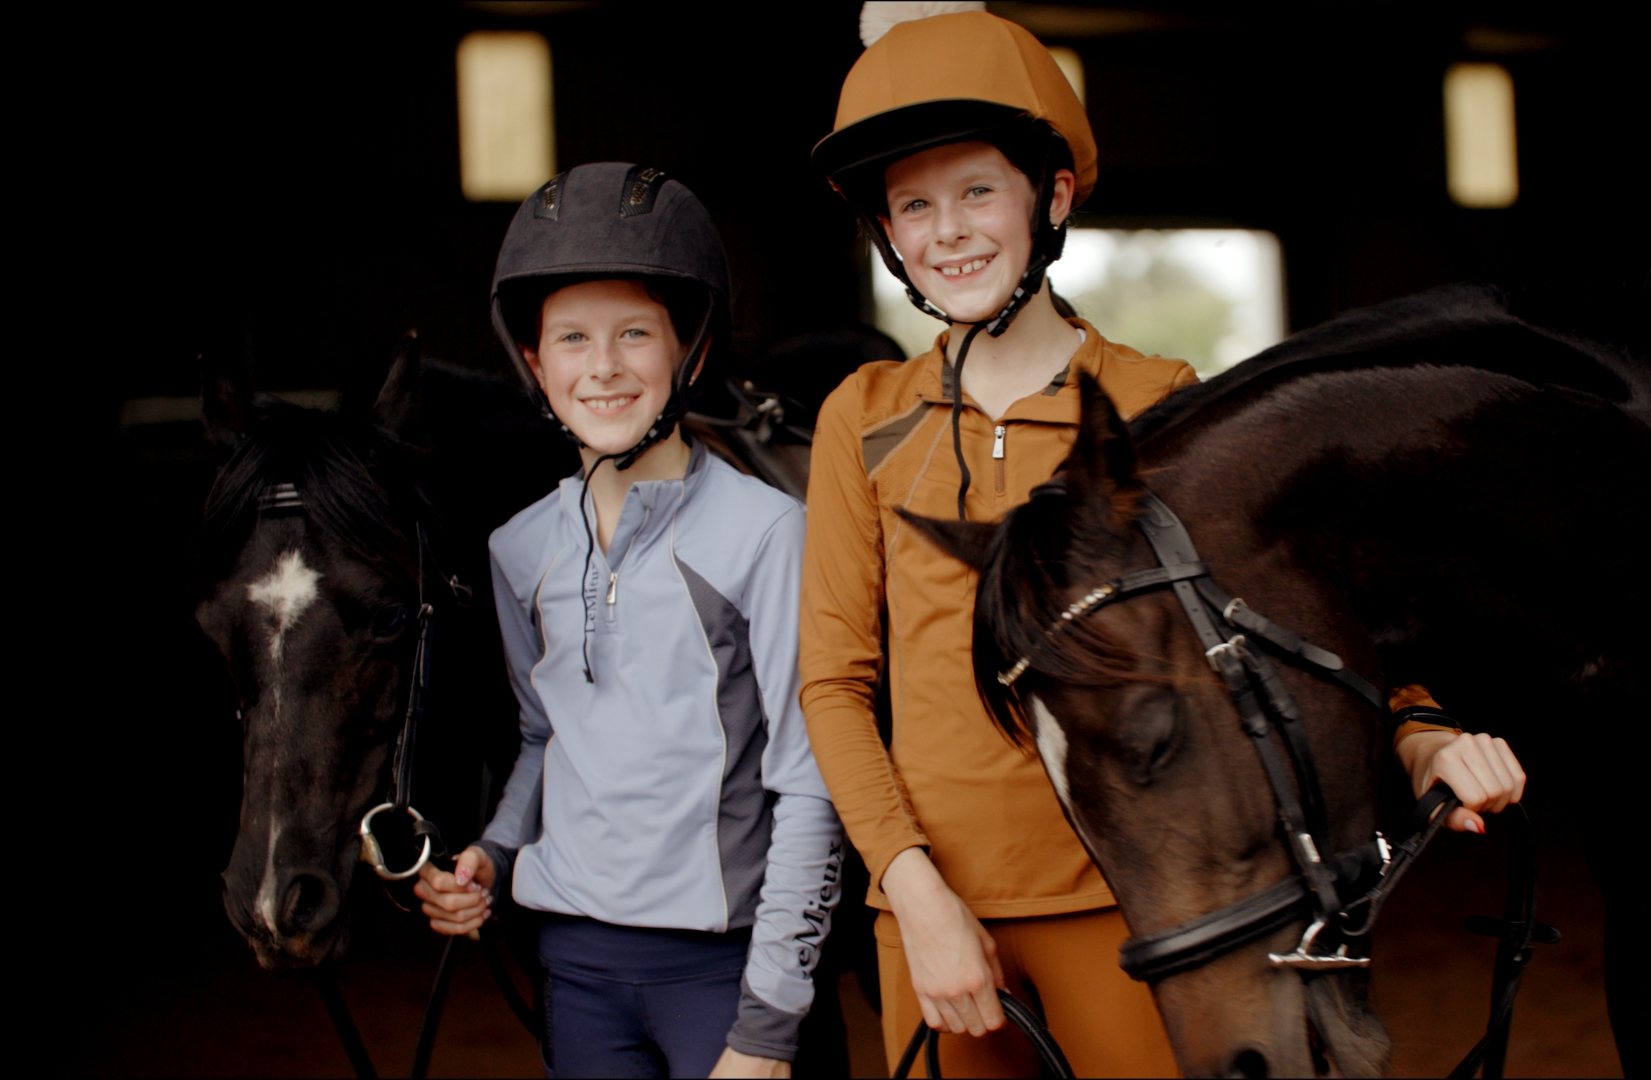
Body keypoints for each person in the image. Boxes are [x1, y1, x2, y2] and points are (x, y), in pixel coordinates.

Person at [797, 7, 1527, 1078]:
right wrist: (914, 894)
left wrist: (1418, 730)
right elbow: (833, 681)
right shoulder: (859, 417)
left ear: (1048, 198)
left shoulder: (1161, 403)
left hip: (1134, 904)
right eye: (913, 205)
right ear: (887, 234)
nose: (947, 230)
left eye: (976, 192)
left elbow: (1294, 611)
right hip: (935, 914)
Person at [412, 163, 843, 1080]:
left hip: (721, 972)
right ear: (534, 363)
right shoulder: (518, 548)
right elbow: (545, 736)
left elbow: (811, 783)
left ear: (691, 352)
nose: (602, 366)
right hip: (575, 970)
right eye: (571, 337)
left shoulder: (767, 532)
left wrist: (770, 1022)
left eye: (634, 334)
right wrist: (493, 850)